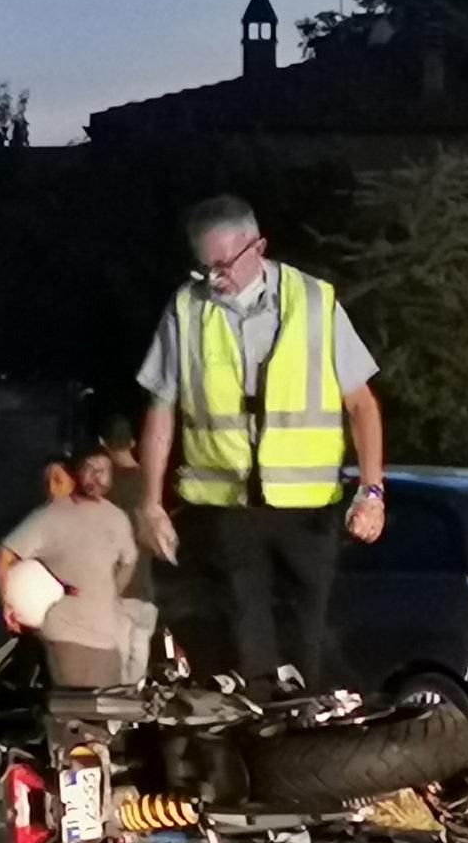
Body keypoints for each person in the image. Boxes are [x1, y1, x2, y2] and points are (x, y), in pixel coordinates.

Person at [134, 194, 387, 699]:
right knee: (244, 647)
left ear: (259, 246)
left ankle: (310, 746)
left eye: (224, 264)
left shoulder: (315, 303)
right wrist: (150, 503)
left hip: (308, 512)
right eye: (204, 267)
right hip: (228, 510)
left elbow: (362, 405)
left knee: (308, 644)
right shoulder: (187, 308)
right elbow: (161, 407)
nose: (214, 278)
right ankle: (255, 747)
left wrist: (372, 491)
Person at [0, 445, 138, 689]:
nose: (97, 477)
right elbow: (3, 555)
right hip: (66, 636)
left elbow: (128, 562)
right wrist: (7, 602)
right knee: (72, 713)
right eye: (89, 470)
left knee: (109, 716)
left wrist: (109, 596)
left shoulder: (118, 519)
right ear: (77, 474)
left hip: (108, 638)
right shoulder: (51, 516)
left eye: (102, 470)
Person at [100, 414, 159, 683]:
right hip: (147, 592)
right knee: (138, 671)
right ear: (134, 442)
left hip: (118, 591)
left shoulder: (105, 489)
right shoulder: (150, 486)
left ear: (103, 444)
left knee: (117, 673)